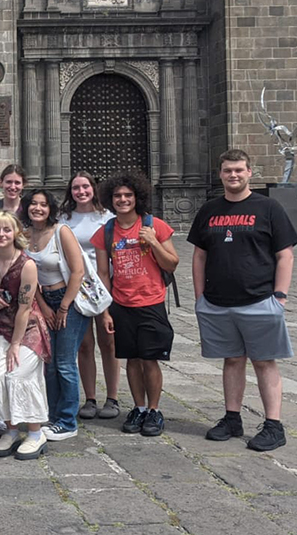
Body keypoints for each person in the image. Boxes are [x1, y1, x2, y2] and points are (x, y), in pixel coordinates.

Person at [189, 149, 297, 452]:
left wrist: (280, 296)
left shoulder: (269, 208)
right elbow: (199, 255)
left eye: (238, 170)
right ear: (220, 173)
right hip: (218, 302)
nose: (233, 175)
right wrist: (200, 297)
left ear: (250, 172)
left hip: (260, 299)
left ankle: (274, 425)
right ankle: (232, 417)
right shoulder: (210, 210)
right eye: (227, 170)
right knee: (232, 360)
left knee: (264, 361)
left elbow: (285, 254)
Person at [90, 172, 178, 438]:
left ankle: (153, 410)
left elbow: (172, 263)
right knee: (131, 359)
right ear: (110, 200)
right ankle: (138, 408)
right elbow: (104, 275)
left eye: (128, 195)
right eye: (117, 196)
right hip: (122, 303)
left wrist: (152, 242)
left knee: (150, 359)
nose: (123, 200)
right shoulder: (105, 232)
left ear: (136, 197)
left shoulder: (155, 226)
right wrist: (104, 310)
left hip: (151, 301)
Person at [19, 189, 89, 442]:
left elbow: (78, 272)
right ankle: (52, 414)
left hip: (68, 299)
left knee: (65, 363)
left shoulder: (62, 232)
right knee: (47, 362)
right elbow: (29, 276)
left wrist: (62, 307)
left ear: (51, 209)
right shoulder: (25, 235)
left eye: (43, 205)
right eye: (33, 204)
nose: (38, 208)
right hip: (43, 300)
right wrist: (43, 306)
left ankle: (68, 421)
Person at [0, 211, 48, 460]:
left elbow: (25, 307)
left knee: (18, 373)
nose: (1, 234)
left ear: (16, 233)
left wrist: (15, 344)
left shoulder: (27, 265)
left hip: (27, 327)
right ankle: (10, 428)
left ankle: (35, 432)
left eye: (7, 230)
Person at [58, 172, 120, 421]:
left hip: (106, 285)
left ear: (94, 188)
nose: (81, 192)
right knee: (84, 345)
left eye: (85, 187)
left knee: (109, 343)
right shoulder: (64, 218)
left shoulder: (108, 217)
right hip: (77, 287)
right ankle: (90, 398)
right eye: (76, 188)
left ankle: (112, 398)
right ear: (70, 191)